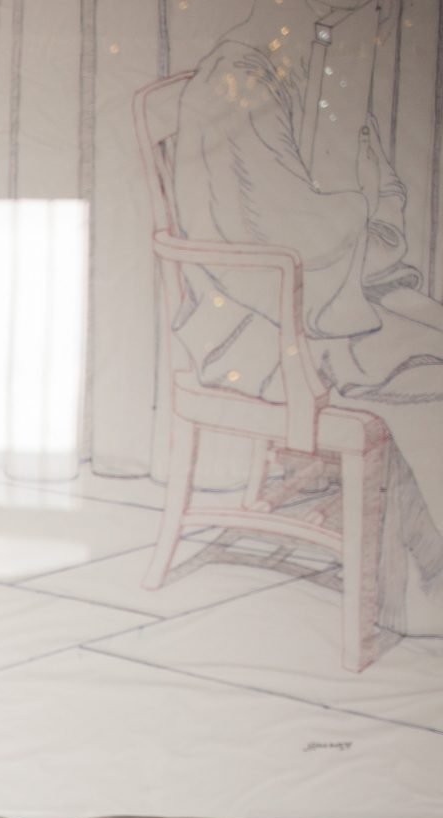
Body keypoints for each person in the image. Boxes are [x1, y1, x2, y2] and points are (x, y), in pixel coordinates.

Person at [170, 0, 443, 639]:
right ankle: (419, 582)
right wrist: (354, 217)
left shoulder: (319, 58)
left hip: (324, 293)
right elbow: (261, 231)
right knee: (423, 363)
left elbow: (378, 187)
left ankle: (426, 566)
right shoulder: (238, 72)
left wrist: (360, 221)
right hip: (252, 320)